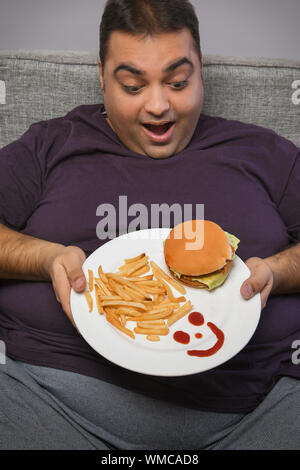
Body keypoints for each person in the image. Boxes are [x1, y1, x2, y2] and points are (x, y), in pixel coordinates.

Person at [0, 0, 299, 450]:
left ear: (201, 70)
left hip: (260, 410)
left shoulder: (263, 152)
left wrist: (278, 269)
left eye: (178, 82)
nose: (158, 106)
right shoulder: (51, 145)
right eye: (133, 85)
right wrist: (46, 258)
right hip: (49, 400)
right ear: (102, 75)